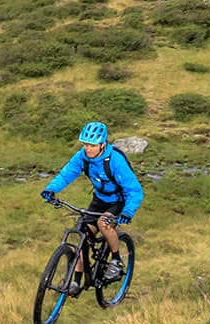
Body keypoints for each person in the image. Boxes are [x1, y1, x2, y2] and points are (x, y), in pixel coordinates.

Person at [40, 121, 141, 284]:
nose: (87, 149)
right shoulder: (82, 156)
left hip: (118, 201)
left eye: (92, 145)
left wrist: (127, 212)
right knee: (81, 233)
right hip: (99, 199)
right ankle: (77, 281)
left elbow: (134, 190)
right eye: (85, 144)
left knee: (103, 223)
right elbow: (66, 174)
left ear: (103, 144)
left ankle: (116, 260)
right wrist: (51, 189)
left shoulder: (115, 160)